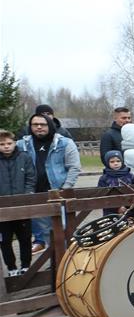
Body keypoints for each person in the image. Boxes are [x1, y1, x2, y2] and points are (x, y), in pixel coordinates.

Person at [17, 114, 81, 253]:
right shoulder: (22, 144)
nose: (39, 127)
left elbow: (74, 167)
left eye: (43, 124)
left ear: (50, 125)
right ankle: (52, 263)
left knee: (64, 230)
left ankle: (66, 263)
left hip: (58, 192)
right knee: (44, 232)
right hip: (34, 193)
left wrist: (66, 188)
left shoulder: (65, 143)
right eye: (35, 124)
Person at [0, 129, 36, 276]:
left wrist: (27, 196)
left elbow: (30, 178)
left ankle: (26, 265)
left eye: (9, 143)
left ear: (15, 143)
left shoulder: (24, 157)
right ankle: (11, 267)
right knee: (5, 240)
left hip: (22, 205)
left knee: (25, 237)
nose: (6, 146)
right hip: (2, 209)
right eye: (2, 144)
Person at [97, 150, 134, 216]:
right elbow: (101, 195)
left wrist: (126, 206)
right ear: (107, 163)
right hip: (110, 208)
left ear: (122, 161)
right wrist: (117, 206)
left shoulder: (130, 176)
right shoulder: (104, 178)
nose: (116, 163)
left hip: (129, 207)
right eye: (112, 162)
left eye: (118, 161)